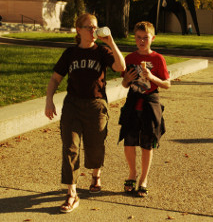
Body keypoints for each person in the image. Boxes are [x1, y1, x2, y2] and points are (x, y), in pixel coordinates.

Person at [45, 13, 126, 213]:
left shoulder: (102, 51)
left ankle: (96, 174)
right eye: (89, 27)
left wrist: (111, 41)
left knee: (95, 146)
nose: (93, 31)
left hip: (96, 105)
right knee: (70, 148)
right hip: (72, 105)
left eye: (95, 27)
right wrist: (49, 100)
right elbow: (56, 78)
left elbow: (121, 67)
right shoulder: (70, 54)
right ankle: (72, 193)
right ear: (78, 30)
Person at [118, 21, 170, 197]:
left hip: (150, 104)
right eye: (138, 38)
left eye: (145, 38)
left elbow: (167, 84)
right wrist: (127, 79)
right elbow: (124, 84)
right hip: (133, 103)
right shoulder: (130, 58)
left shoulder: (158, 59)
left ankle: (143, 179)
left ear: (152, 38)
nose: (141, 41)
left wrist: (152, 76)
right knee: (129, 141)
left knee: (147, 144)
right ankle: (132, 173)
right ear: (135, 38)